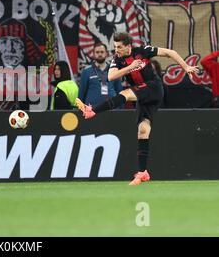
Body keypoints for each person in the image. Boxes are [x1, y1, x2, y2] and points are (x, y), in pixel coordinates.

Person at [74, 33, 198, 186]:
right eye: (115, 47)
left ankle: (92, 111)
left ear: (128, 46)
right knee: (143, 131)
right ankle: (142, 173)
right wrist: (130, 67)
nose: (117, 50)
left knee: (124, 94)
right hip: (142, 96)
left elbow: (169, 52)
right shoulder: (118, 59)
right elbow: (111, 76)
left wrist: (186, 67)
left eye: (119, 47)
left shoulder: (142, 51)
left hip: (153, 88)